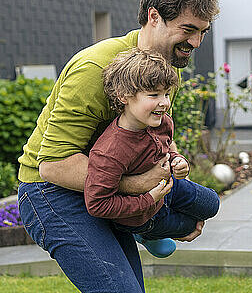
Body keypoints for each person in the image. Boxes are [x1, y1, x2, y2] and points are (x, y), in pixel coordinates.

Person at [17, 0, 219, 293]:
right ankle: (143, 224)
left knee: (200, 211)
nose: (195, 42)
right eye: (188, 29)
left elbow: (157, 135)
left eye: (203, 32)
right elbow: (53, 165)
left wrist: (169, 167)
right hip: (51, 192)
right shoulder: (95, 69)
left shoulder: (165, 74)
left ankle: (143, 224)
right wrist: (139, 187)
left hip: (109, 184)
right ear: (154, 16)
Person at [84, 48, 220, 249]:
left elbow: (167, 148)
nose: (164, 103)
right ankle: (144, 234)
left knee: (212, 204)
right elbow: (98, 205)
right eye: (154, 94)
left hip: (168, 187)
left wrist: (177, 161)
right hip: (142, 214)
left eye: (166, 93)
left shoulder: (161, 121)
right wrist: (149, 199)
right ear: (124, 96)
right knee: (191, 226)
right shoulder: (109, 151)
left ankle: (165, 223)